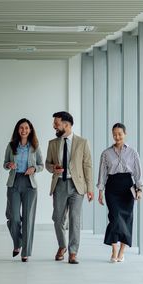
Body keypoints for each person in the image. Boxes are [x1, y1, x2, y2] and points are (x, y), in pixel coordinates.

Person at [45, 111, 94, 264]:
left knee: (75, 219)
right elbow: (47, 164)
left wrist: (90, 188)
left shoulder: (82, 142)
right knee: (58, 218)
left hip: (77, 186)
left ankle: (73, 252)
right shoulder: (52, 143)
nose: (54, 126)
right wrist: (54, 168)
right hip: (59, 184)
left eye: (56, 123)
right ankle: (62, 245)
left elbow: (88, 166)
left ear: (66, 125)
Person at [97, 123, 143, 263]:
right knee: (115, 217)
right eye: (114, 134)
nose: (117, 137)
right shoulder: (106, 153)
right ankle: (114, 249)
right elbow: (102, 174)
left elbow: (138, 172)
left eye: (120, 134)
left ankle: (122, 251)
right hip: (112, 187)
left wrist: (139, 189)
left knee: (127, 218)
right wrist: (100, 191)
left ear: (125, 134)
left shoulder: (133, 152)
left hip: (127, 187)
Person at [4, 118, 44, 262]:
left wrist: (34, 168)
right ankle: (18, 242)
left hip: (29, 184)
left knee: (28, 219)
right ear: (17, 130)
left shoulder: (35, 146)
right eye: (21, 128)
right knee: (13, 217)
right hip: (14, 183)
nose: (24, 130)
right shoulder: (11, 146)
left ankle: (25, 252)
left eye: (26, 128)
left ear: (30, 130)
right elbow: (4, 164)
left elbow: (41, 165)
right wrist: (9, 165)